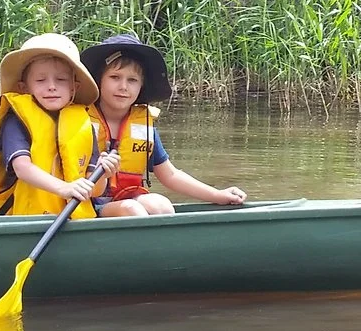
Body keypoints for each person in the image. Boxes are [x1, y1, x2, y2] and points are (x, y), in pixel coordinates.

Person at [78, 34, 245, 216]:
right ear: (99, 81)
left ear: (141, 86)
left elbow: (170, 175)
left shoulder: (144, 126)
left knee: (162, 206)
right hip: (87, 205)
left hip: (127, 198)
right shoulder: (80, 121)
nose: (123, 86)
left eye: (132, 80)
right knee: (132, 210)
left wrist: (218, 195)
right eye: (115, 77)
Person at [0, 33, 120, 216]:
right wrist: (64, 189)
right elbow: (22, 168)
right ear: (24, 88)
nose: (51, 86)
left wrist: (104, 173)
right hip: (28, 219)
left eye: (60, 80)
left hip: (71, 220)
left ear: (74, 88)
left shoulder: (84, 125)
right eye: (40, 80)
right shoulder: (16, 121)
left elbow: (95, 191)